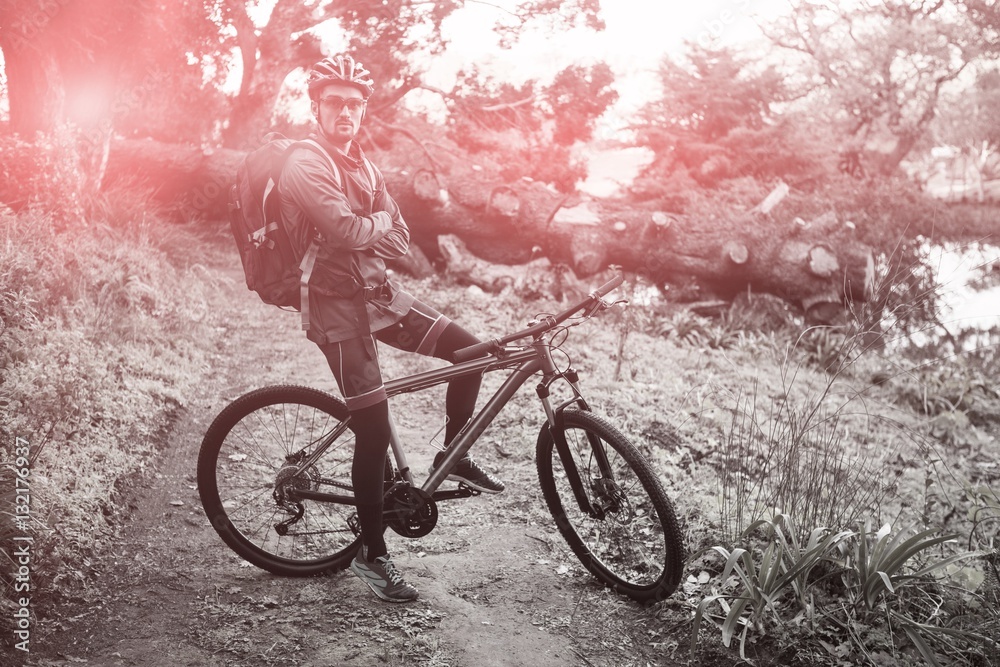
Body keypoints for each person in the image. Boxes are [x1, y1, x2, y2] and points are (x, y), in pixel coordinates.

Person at [278, 53, 505, 603]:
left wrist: (365, 229)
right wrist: (365, 228)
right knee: (374, 430)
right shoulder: (305, 164)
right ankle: (371, 555)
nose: (346, 113)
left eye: (355, 105)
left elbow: (398, 238)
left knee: (473, 350)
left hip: (379, 296)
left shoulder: (364, 166)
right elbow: (344, 226)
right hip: (334, 309)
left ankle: (456, 453)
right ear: (316, 107)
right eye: (335, 104)